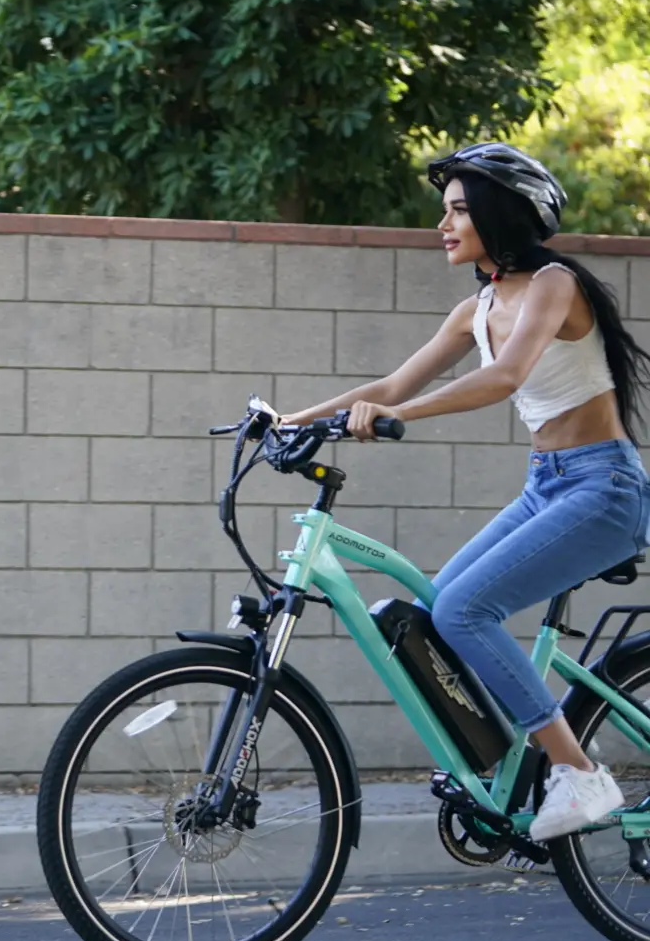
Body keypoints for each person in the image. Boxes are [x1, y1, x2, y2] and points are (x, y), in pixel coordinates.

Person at [278, 142, 650, 842]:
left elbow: (504, 378)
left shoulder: (554, 285)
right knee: (429, 612)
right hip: (548, 485)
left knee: (466, 608)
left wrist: (398, 418)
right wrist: (287, 420)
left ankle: (580, 772)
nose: (442, 225)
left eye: (457, 210)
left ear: (498, 215)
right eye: (443, 211)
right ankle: (497, 766)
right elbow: (390, 387)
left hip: (604, 489)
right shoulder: (475, 308)